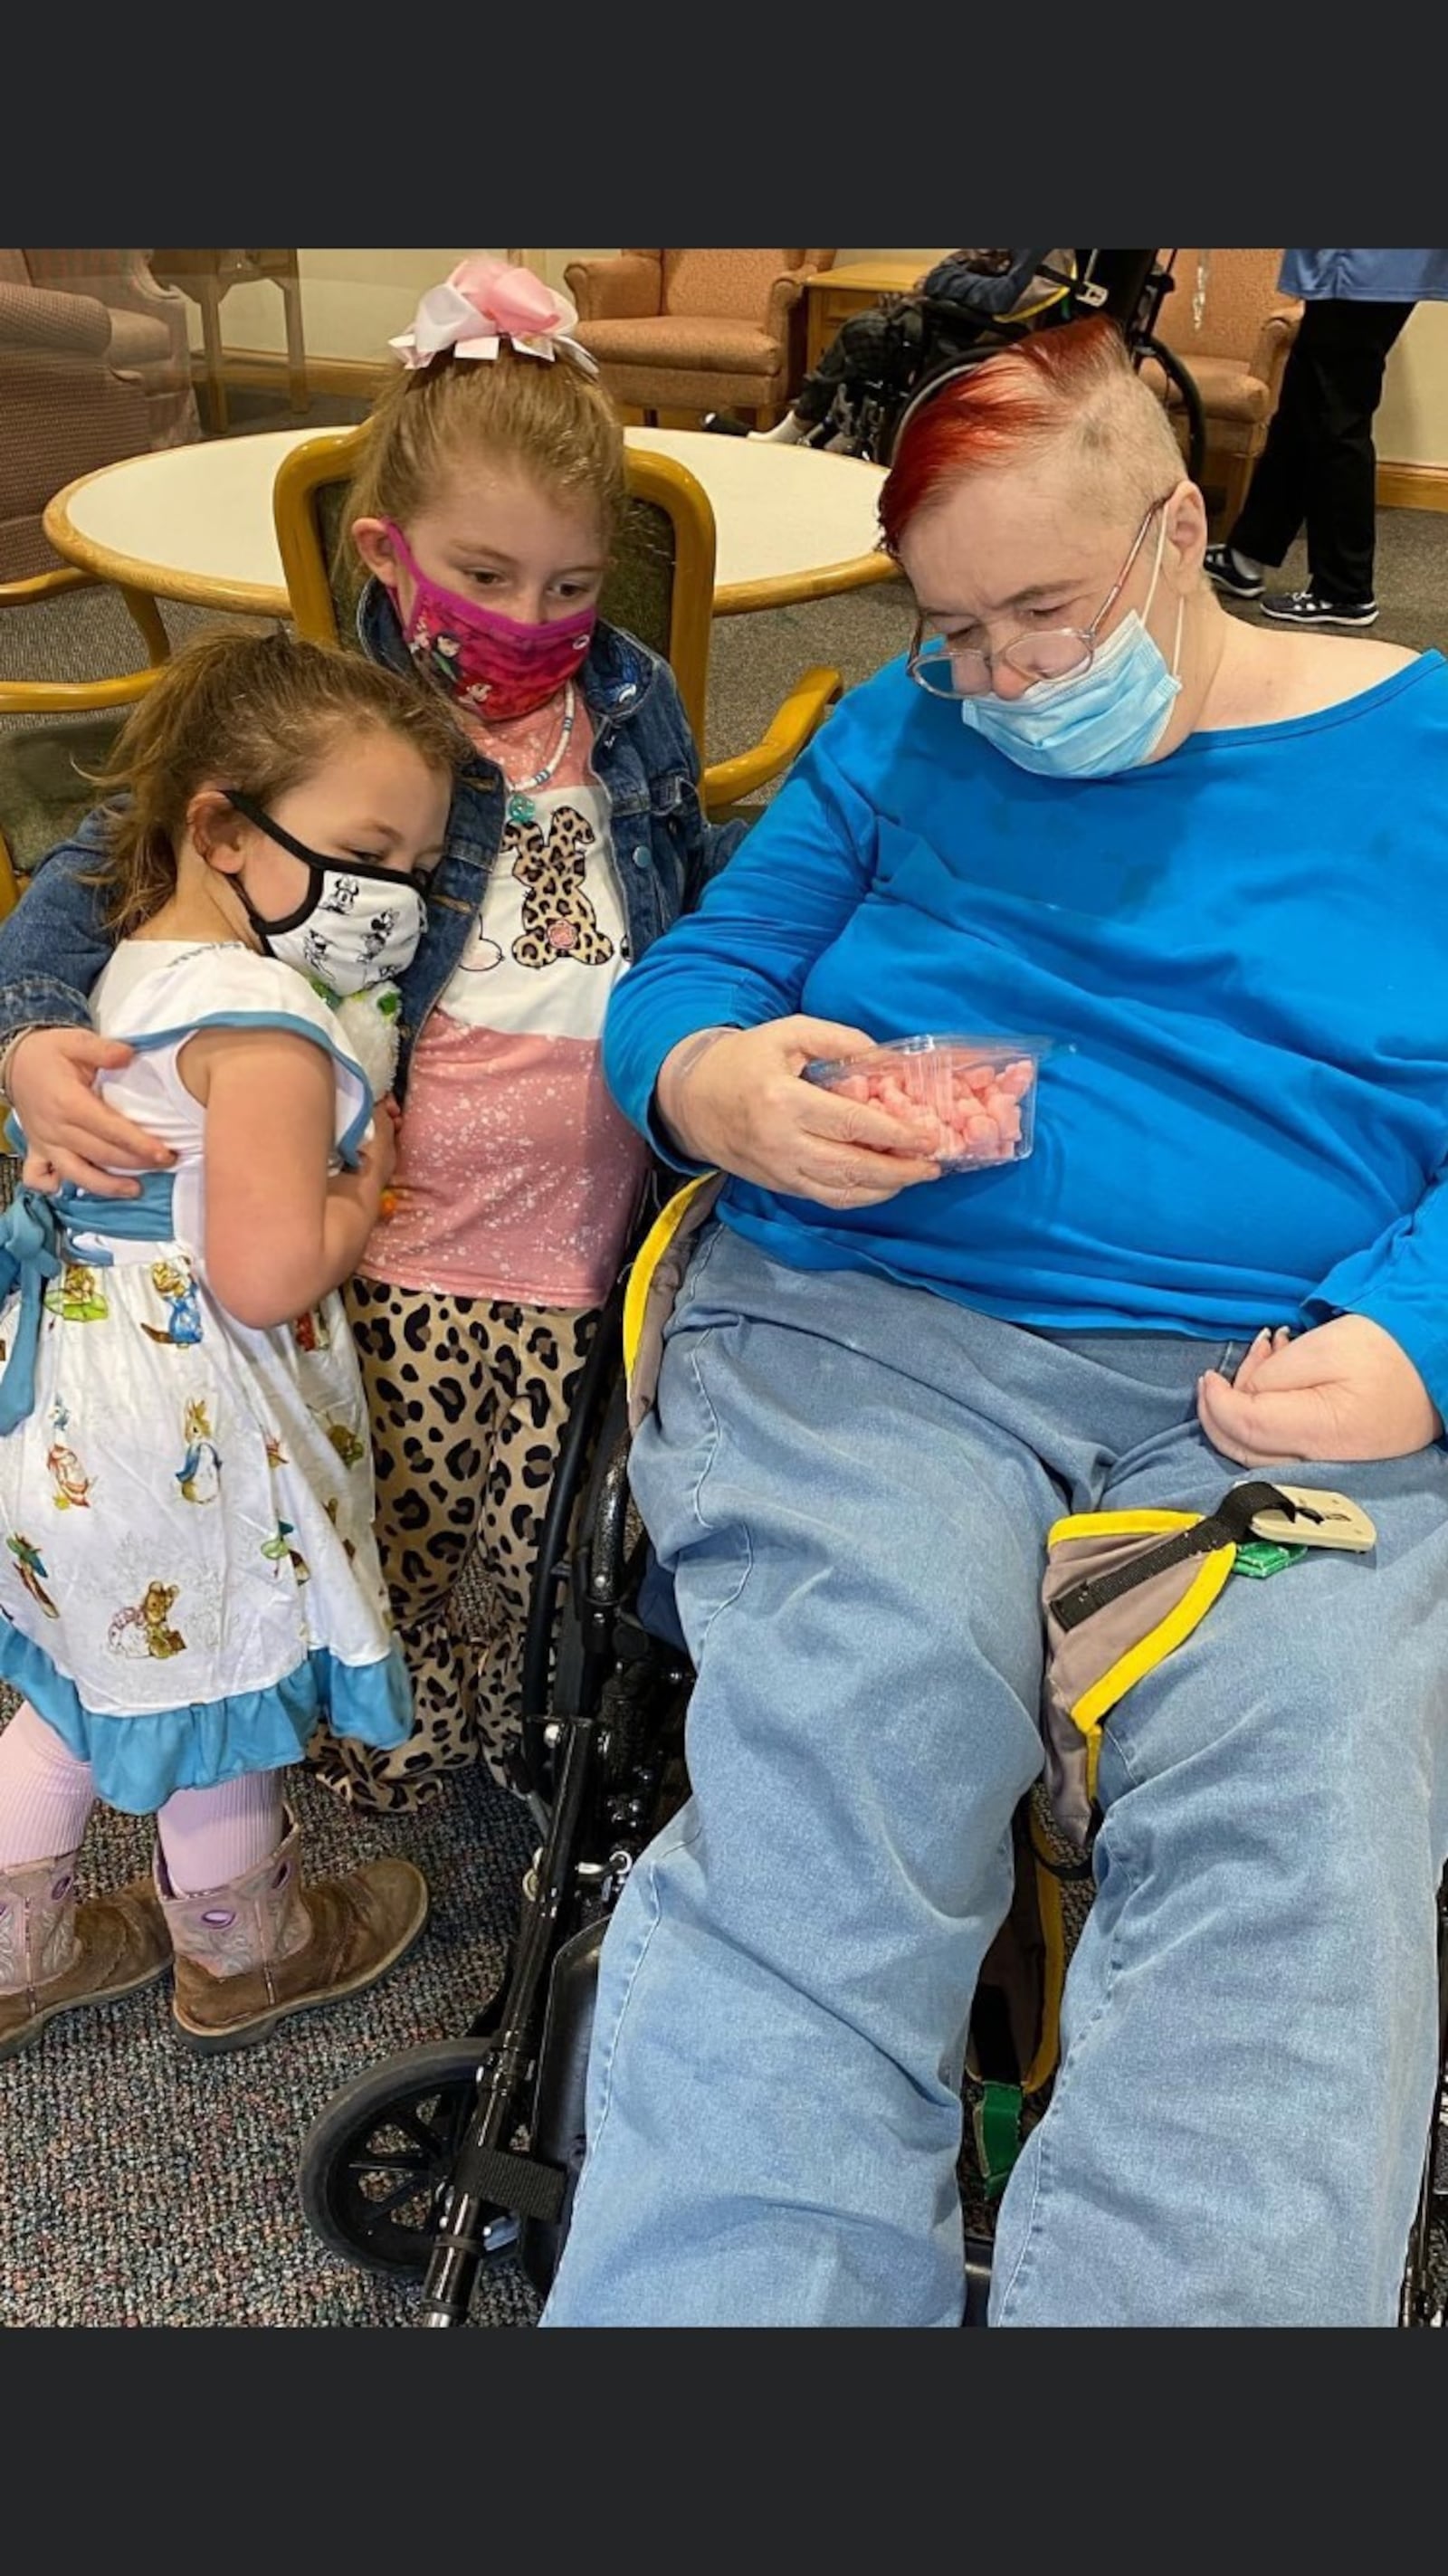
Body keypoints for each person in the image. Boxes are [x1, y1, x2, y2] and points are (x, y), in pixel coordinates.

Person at [538, 315, 1448, 2328]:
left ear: (1179, 525)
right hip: (869, 1329)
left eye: (1039, 609)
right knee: (843, 1758)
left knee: (1294, 1827)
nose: (998, 683)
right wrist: (719, 1087)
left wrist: (1414, 1340)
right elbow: (694, 978)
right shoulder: (901, 730)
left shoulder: (1424, 758)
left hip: (1271, 1394)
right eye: (949, 630)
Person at [0, 256, 743, 1817]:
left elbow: (683, 866)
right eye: (484, 573)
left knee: (541, 1525)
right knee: (378, 1511)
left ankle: (511, 1753)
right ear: (388, 555)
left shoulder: (637, 700)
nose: (531, 623)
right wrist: (23, 1035)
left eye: (571, 585)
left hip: (584, 1227)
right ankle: (359, 1763)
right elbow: (113, 858)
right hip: (397, 1238)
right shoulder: (340, 722)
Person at [0, 628, 462, 2061]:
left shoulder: (139, 963)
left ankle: (15, 1947)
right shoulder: (266, 1022)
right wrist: (359, 1192)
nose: (394, 899)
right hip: (193, 1431)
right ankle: (239, 1946)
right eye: (364, 852)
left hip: (81, 1402)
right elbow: (266, 1273)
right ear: (219, 826)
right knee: (216, 1683)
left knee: (87, 1673)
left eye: (419, 868)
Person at [1205, 248, 1448, 629]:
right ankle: (1247, 554)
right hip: (1362, 265)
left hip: (1365, 265)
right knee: (1306, 404)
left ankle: (1345, 589)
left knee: (1337, 414)